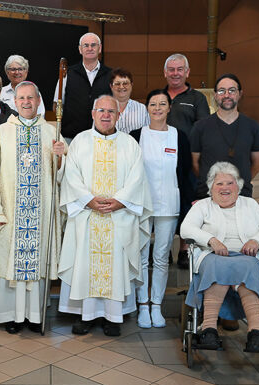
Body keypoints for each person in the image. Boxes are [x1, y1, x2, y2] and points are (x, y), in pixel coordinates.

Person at [0, 81, 66, 334]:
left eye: (30, 98)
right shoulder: (2, 132)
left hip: (40, 214)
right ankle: (11, 316)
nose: (25, 102)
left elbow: (60, 178)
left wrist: (61, 157)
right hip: (11, 214)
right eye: (21, 97)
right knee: (9, 263)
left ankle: (34, 317)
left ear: (38, 101)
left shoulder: (51, 132)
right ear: (14, 101)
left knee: (36, 265)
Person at [58, 95, 152, 337]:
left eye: (111, 111)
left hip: (118, 216)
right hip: (87, 216)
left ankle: (113, 317)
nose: (106, 115)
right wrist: (88, 200)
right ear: (93, 113)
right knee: (85, 265)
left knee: (115, 265)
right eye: (101, 110)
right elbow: (71, 174)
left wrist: (120, 201)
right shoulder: (80, 141)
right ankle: (85, 316)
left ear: (119, 116)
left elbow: (137, 176)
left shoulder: (130, 143)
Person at [181, 162, 259, 354]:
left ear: (239, 186)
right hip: (212, 256)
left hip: (246, 256)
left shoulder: (250, 204)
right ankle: (209, 329)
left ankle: (257, 333)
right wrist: (212, 240)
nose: (225, 188)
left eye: (230, 183)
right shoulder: (203, 206)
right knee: (216, 265)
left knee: (250, 266)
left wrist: (257, 240)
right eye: (219, 184)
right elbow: (186, 229)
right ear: (211, 187)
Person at [129, 89, 194, 329]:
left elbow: (186, 174)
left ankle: (156, 304)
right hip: (142, 205)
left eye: (162, 104)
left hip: (169, 204)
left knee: (161, 257)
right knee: (141, 256)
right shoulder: (136, 136)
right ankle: (142, 304)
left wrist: (188, 206)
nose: (157, 108)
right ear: (147, 108)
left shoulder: (179, 137)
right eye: (153, 104)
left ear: (169, 108)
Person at [163, 53, 210, 270]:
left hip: (188, 162)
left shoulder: (197, 98)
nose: (175, 73)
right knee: (164, 205)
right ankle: (163, 249)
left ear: (187, 72)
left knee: (186, 205)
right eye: (171, 69)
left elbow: (203, 130)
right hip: (162, 162)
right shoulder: (159, 96)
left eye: (179, 69)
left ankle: (183, 249)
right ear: (165, 73)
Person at [191, 73, 259, 199]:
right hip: (208, 195)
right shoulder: (200, 127)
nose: (226, 95)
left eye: (232, 90)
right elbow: (195, 164)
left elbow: (257, 164)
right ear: (215, 95)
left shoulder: (253, 127)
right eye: (221, 91)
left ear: (239, 94)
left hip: (241, 195)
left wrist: (239, 181)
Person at [54, 32, 112, 141]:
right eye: (86, 45)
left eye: (93, 45)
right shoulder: (67, 73)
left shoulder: (111, 75)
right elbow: (57, 104)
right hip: (71, 137)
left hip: (103, 136)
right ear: (80, 49)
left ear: (100, 48)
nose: (90, 48)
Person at [110, 68, 149, 133]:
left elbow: (147, 134)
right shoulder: (103, 108)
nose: (121, 87)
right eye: (117, 84)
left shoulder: (142, 109)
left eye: (125, 83)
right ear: (111, 86)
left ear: (131, 85)